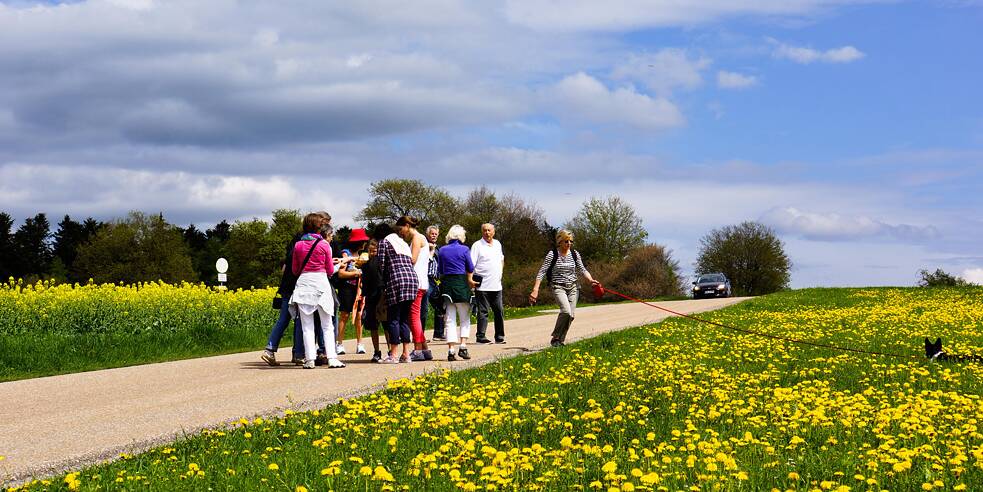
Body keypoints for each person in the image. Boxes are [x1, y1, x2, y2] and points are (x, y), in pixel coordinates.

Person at [262, 211, 329, 366]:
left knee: (284, 319)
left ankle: (270, 349)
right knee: (302, 319)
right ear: (316, 225)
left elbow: (286, 264)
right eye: (323, 223)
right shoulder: (309, 242)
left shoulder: (298, 240)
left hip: (288, 284)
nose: (325, 226)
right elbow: (296, 267)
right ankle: (298, 354)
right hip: (298, 285)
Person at [289, 213, 344, 368]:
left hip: (304, 284)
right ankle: (332, 358)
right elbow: (329, 270)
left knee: (307, 325)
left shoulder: (298, 245)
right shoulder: (324, 245)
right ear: (319, 227)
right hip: (320, 283)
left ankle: (309, 359)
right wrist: (338, 265)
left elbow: (295, 270)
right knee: (327, 324)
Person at [529, 229, 599, 347]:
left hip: (573, 287)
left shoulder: (575, 254)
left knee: (571, 315)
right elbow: (542, 272)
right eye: (566, 241)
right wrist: (535, 290)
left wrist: (591, 280)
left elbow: (582, 269)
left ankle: (560, 341)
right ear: (560, 241)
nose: (569, 244)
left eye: (571, 241)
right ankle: (556, 337)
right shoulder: (553, 254)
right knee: (566, 311)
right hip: (558, 286)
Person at [376, 221, 419, 363]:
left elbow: (381, 265)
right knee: (404, 318)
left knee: (393, 318)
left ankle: (393, 354)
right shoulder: (402, 243)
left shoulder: (384, 242)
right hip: (412, 280)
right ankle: (406, 354)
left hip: (397, 280)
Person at [437, 225, 476, 361]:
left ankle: (451, 350)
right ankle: (463, 346)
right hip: (461, 284)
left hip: (447, 285)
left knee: (449, 319)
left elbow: (440, 269)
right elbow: (470, 267)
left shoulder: (442, 250)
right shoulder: (465, 249)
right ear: (461, 236)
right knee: (464, 317)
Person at [399, 216, 433, 361]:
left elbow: (412, 259)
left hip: (416, 282)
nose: (401, 233)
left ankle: (417, 349)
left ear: (407, 225)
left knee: (413, 317)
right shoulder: (420, 238)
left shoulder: (417, 238)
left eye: (401, 229)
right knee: (414, 316)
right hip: (421, 282)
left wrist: (399, 259)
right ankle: (425, 349)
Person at [335, 228, 369, 355]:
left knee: (359, 315)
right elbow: (341, 274)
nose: (365, 243)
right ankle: (339, 343)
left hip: (359, 289)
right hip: (347, 288)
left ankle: (360, 343)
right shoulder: (345, 253)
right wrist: (356, 273)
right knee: (344, 315)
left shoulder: (363, 255)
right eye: (363, 241)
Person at [470, 223, 505, 344]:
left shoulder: (498, 244)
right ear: (482, 232)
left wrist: (500, 273)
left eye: (489, 230)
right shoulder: (477, 245)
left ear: (493, 232)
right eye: (484, 230)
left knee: (499, 311)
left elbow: (501, 259)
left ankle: (499, 336)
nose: (487, 232)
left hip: (496, 284)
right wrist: (470, 280)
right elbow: (471, 264)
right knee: (483, 311)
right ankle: (481, 336)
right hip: (482, 285)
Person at [358, 238, 386, 362]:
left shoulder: (382, 261)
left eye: (375, 251)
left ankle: (391, 350)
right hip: (370, 295)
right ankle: (376, 351)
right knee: (373, 325)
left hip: (381, 293)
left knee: (386, 324)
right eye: (371, 251)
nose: (373, 253)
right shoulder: (364, 262)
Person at [424, 225, 446, 341]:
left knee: (440, 306)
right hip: (425, 278)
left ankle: (438, 333)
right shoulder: (423, 245)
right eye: (432, 234)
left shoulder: (438, 248)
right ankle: (420, 335)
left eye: (436, 234)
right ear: (427, 234)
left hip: (435, 280)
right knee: (424, 307)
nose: (434, 236)